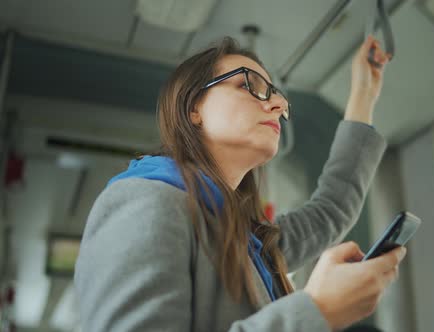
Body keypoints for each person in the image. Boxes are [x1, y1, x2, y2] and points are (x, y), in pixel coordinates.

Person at [74, 34, 407, 332]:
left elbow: (332, 209)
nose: (278, 105)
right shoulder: (145, 201)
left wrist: (364, 92)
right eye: (250, 85)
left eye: (276, 95)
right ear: (194, 107)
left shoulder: (248, 241)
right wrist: (316, 311)